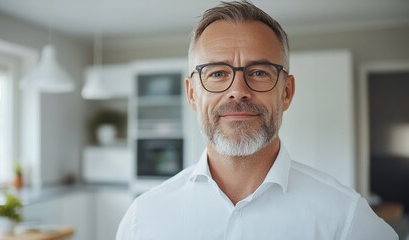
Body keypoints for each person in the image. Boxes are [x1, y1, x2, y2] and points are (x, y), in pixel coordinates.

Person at [116, 1, 398, 239]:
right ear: (191, 94)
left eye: (260, 72)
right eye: (217, 73)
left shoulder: (346, 219)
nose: (238, 91)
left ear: (286, 92)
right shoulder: (144, 219)